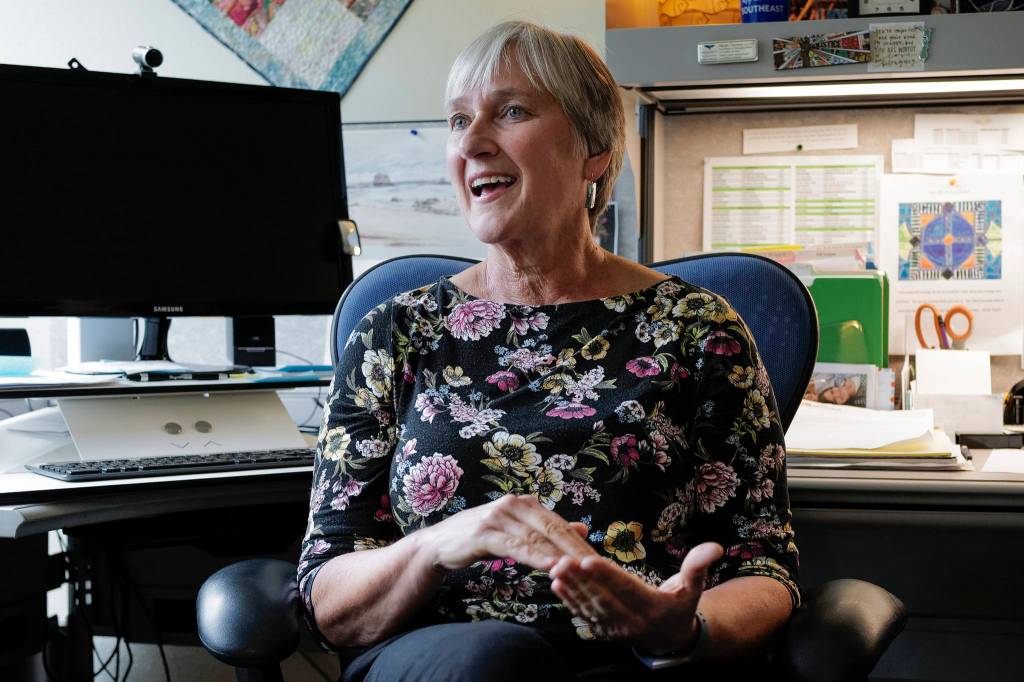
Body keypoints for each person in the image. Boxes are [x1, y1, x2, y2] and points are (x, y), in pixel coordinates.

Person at [298, 20, 799, 681]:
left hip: (636, 662)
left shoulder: (698, 330)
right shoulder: (393, 334)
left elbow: (763, 566)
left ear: (593, 151)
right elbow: (328, 601)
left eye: (510, 112)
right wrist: (438, 545)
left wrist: (686, 627)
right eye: (456, 121)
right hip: (444, 659)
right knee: (489, 662)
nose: (472, 143)